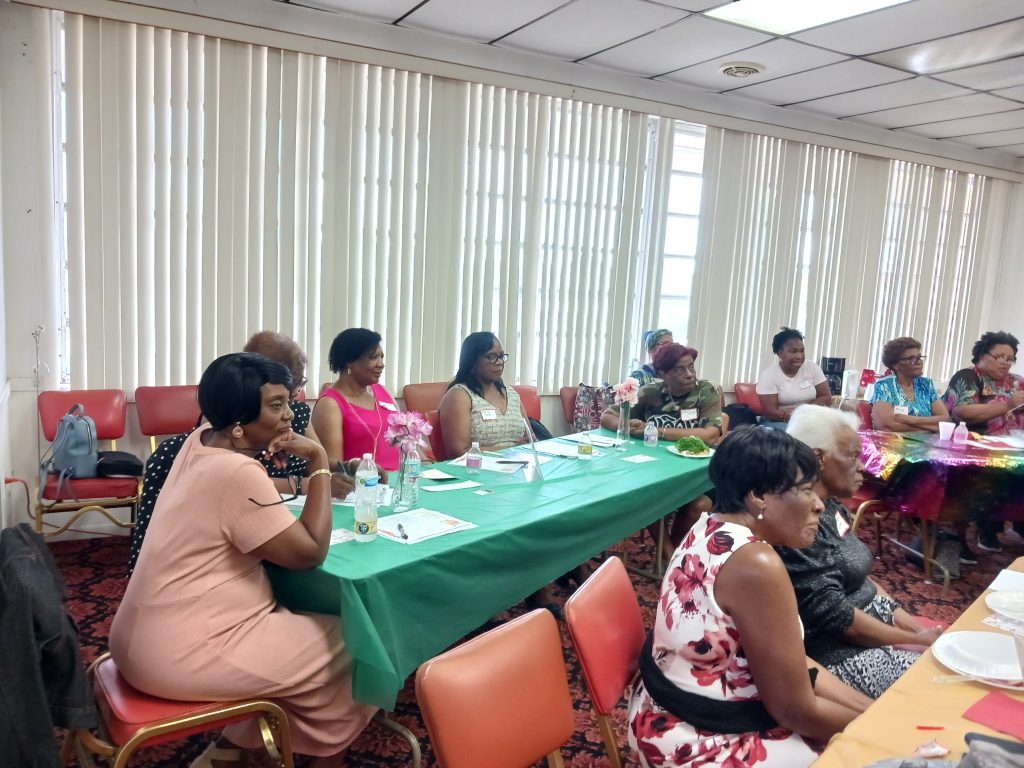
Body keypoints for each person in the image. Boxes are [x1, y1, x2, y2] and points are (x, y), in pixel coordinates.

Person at [111, 353, 375, 768]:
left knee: (299, 630)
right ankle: (320, 754)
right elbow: (309, 552)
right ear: (238, 424)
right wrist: (319, 464)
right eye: (276, 405)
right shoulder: (236, 472)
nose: (290, 415)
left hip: (135, 637)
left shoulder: (198, 441)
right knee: (358, 641)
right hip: (180, 652)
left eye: (289, 401)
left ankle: (233, 748)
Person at [627, 427, 870, 768]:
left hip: (658, 713)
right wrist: (881, 727)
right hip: (697, 738)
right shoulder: (756, 563)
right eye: (805, 491)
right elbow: (794, 711)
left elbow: (794, 664)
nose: (819, 504)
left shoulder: (708, 526)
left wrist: (873, 711)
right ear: (758, 496)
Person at [127, 331, 353, 576]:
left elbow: (307, 455)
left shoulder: (209, 436)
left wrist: (343, 464)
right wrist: (314, 470)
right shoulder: (225, 457)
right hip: (198, 583)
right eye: (279, 401)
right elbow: (310, 553)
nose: (291, 410)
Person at [781, 405, 941, 698]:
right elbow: (839, 619)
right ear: (819, 458)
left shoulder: (832, 506)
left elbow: (861, 579)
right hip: (837, 656)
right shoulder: (800, 523)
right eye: (852, 456)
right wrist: (916, 639)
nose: (862, 467)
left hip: (872, 630)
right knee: (940, 687)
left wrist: (918, 631)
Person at [600, 343, 718, 561]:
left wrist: (658, 431)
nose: (689, 374)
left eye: (691, 367)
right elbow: (607, 416)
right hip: (654, 468)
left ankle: (673, 554)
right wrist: (628, 426)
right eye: (680, 369)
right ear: (663, 373)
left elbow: (710, 435)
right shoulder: (651, 392)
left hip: (696, 470)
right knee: (648, 496)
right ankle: (669, 556)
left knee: (700, 504)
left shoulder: (706, 391)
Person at [942, 330, 1024, 552]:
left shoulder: (1017, 382)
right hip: (969, 445)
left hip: (1011, 445)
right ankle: (980, 531)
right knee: (992, 473)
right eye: (1000, 357)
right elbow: (962, 412)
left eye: (1010, 358)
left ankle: (1017, 524)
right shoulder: (969, 377)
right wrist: (1008, 405)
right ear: (982, 355)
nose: (1005, 362)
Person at [312, 328, 401, 475]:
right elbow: (333, 467)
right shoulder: (330, 404)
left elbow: (405, 438)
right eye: (373, 357)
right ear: (349, 361)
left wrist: (425, 463)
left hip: (402, 479)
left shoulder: (382, 392)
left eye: (382, 357)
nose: (381, 364)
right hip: (365, 483)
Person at [438, 331, 528, 457]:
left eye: (501, 356)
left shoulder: (512, 394)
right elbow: (458, 452)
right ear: (472, 361)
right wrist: (511, 449)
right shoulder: (460, 395)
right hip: (477, 467)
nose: (499, 362)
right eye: (492, 356)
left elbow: (530, 439)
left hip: (519, 464)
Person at [756, 327, 832, 429]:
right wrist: (795, 417)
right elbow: (770, 412)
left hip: (810, 417)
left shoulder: (811, 367)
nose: (799, 356)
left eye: (802, 351)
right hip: (779, 421)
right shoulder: (768, 376)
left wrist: (802, 411)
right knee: (796, 433)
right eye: (793, 351)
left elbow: (826, 398)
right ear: (780, 353)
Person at [871, 336, 950, 432]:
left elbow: (944, 419)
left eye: (919, 358)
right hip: (896, 440)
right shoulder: (885, 386)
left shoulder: (926, 385)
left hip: (926, 441)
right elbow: (885, 426)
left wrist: (909, 419)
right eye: (912, 359)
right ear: (895, 365)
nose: (919, 362)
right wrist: (932, 427)